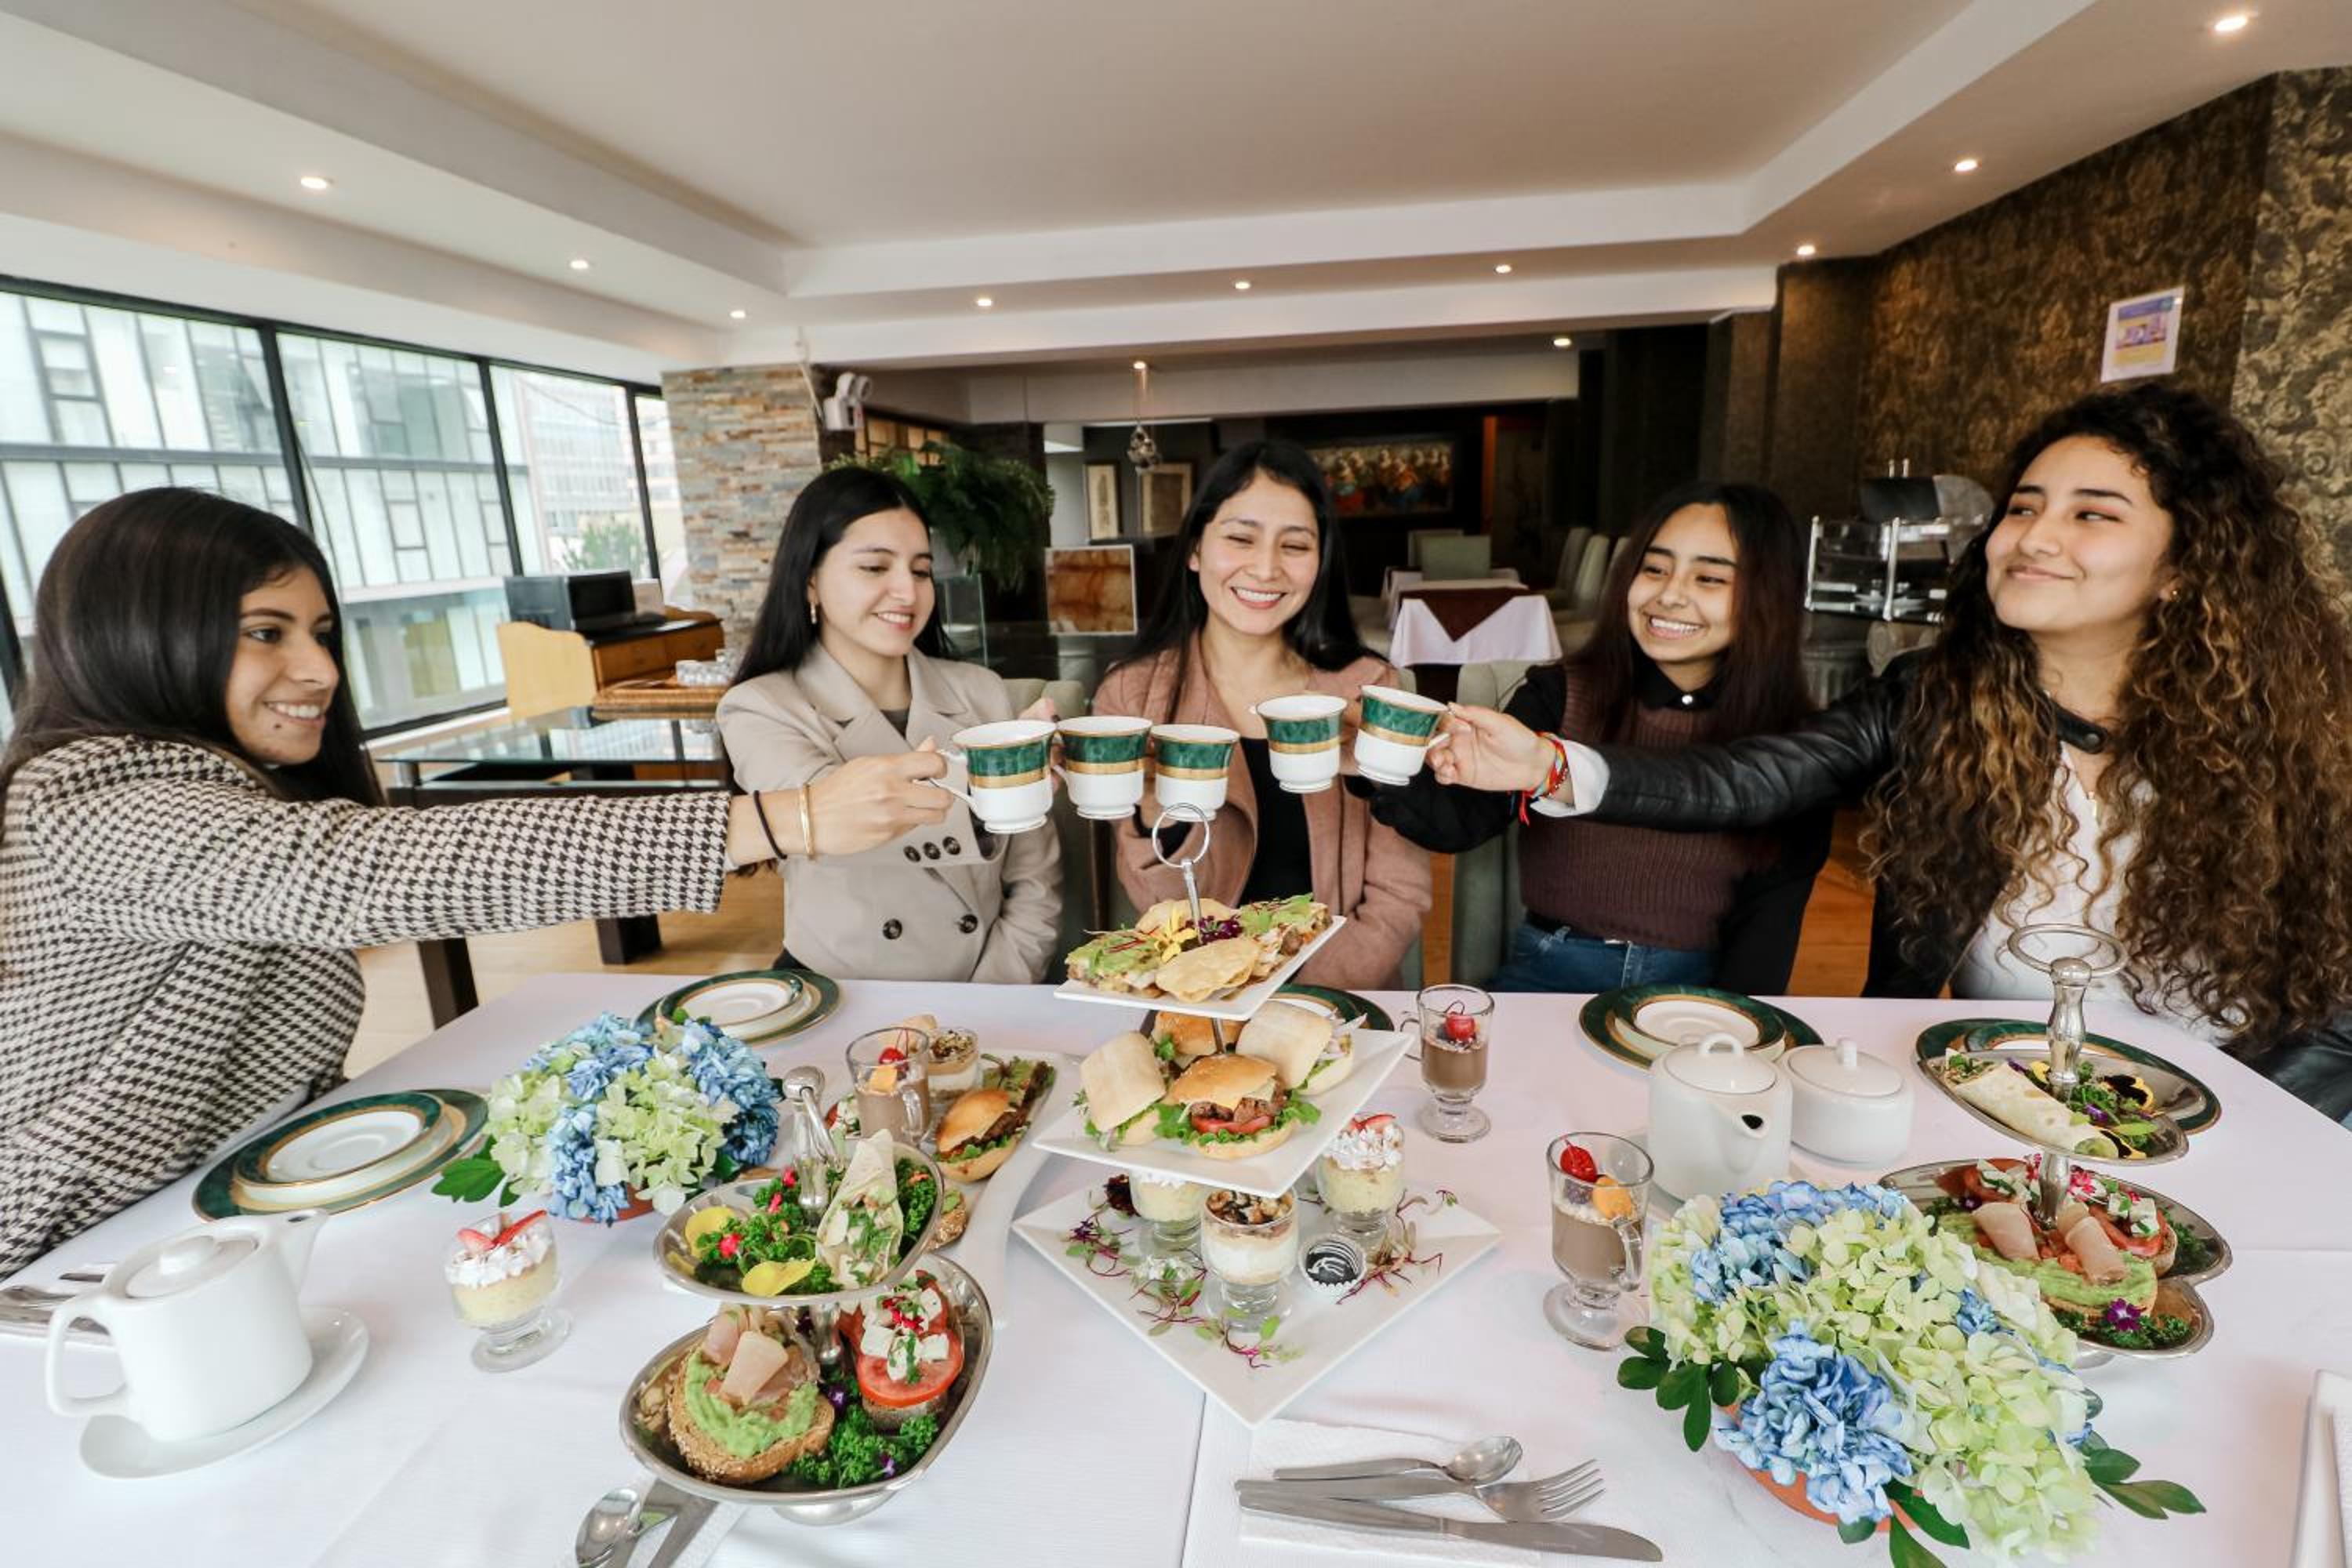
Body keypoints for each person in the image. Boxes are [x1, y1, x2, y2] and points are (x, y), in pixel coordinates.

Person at [0, 489, 954, 1272]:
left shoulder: (226, 792)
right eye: (265, 631)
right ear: (137, 632)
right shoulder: (82, 802)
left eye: (321, 633)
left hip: (229, 1221)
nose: (319, 669)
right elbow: (381, 868)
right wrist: (782, 818)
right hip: (70, 1255)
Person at [1429, 384, 2352, 1122]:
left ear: (2186, 561)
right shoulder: (1938, 696)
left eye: (2092, 515)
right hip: (1995, 1101)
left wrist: (2237, 1126)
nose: (2033, 537)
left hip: (2221, 1120)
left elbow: (2337, 1021)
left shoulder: (2306, 733)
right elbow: (1751, 780)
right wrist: (1552, 764)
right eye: (2023, 506)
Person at [1363, 481, 1824, 993]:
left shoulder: (1797, 743)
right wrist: (1375, 757)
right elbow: (1461, 823)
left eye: (1710, 578)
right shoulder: (1563, 693)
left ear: (1769, 594)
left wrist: (1733, 1023)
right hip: (1552, 967)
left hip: (1695, 988)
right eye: (1654, 569)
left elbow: (1769, 923)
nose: (1670, 595)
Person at [1093, 439, 1431, 988]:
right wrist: (1160, 815)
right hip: (1201, 1000)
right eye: (1240, 538)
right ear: (1195, 549)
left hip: (1343, 998)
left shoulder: (1367, 689)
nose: (1267, 568)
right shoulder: (1134, 698)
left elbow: (1400, 893)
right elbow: (1159, 904)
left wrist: (1310, 999)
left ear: (1320, 562)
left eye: (1294, 545)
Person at [717, 466, 1061, 983]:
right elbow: (835, 819)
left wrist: (995, 991)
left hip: (991, 986)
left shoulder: (982, 691)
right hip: (845, 993)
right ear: (810, 579)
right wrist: (999, 782)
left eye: (921, 571)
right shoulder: (759, 708)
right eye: (875, 567)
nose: (907, 591)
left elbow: (1036, 877)